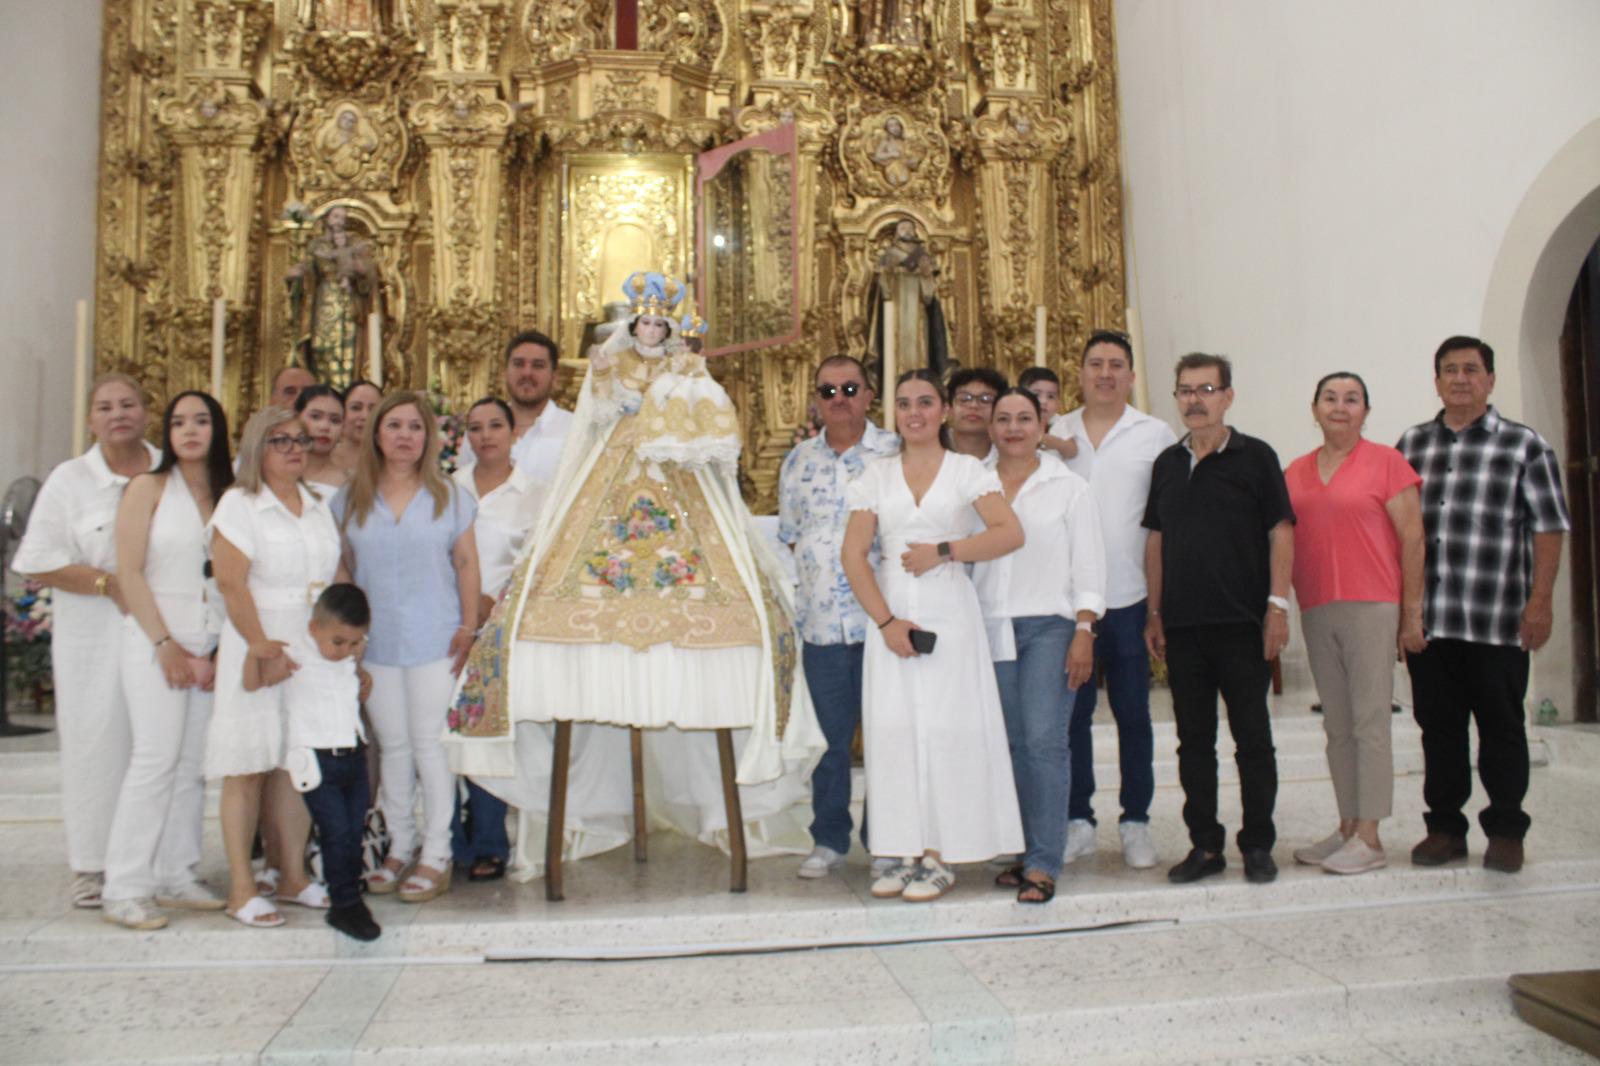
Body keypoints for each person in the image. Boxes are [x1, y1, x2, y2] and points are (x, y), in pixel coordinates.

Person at [443, 274, 822, 880]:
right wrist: (611, 391)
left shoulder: (684, 367)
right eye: (642, 323)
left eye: (657, 325)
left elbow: (706, 425)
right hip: (611, 470)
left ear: (667, 330)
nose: (648, 331)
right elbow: (594, 418)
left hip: (676, 476)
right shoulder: (613, 361)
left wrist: (681, 396)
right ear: (631, 326)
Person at [842, 368, 1026, 902]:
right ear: (893, 413)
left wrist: (945, 551)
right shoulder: (875, 475)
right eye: (904, 404)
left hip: (950, 609)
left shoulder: (966, 470)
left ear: (943, 410)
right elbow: (853, 555)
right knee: (894, 729)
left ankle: (941, 853)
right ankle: (901, 849)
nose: (914, 413)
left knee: (949, 729)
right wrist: (887, 623)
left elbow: (1010, 533)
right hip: (892, 609)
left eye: (925, 402)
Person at [1396, 336, 1570, 874]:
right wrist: (1403, 613)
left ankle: (1506, 830)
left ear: (1490, 380)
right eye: (1449, 370)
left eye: (1471, 369)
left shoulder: (1524, 445)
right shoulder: (1411, 445)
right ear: (1436, 381)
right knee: (1439, 730)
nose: (1460, 379)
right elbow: (1396, 533)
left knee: (1502, 728)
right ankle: (1445, 829)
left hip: (1497, 618)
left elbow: (1549, 527)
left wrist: (1540, 601)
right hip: (1432, 621)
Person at [1144, 353, 1294, 886]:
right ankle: (1205, 845)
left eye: (1206, 389)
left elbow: (1281, 532)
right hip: (1183, 628)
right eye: (1186, 390)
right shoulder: (1167, 463)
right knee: (1193, 742)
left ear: (1228, 396)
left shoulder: (1257, 457)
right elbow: (1156, 541)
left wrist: (1277, 606)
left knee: (1253, 739)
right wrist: (1154, 613)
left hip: (1242, 625)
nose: (1195, 400)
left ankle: (1257, 844)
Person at [13, 372, 159, 909]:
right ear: (90, 420)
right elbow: (36, 559)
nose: (118, 414)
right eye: (105, 406)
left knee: (158, 744)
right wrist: (107, 585)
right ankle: (92, 864)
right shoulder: (70, 480)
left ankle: (159, 861)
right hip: (94, 637)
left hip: (162, 631)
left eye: (128, 404)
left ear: (146, 412)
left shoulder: (169, 469)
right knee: (97, 743)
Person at [333, 391, 480, 903]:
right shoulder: (350, 498)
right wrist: (346, 635)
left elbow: (466, 563)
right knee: (392, 745)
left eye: (415, 427)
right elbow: (342, 564)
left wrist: (468, 626)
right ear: (376, 433)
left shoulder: (450, 497)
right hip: (376, 641)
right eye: (394, 425)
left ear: (428, 437)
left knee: (429, 744)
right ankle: (399, 846)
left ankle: (437, 853)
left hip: (436, 637)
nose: (404, 436)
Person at [100, 392, 234, 930]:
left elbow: (229, 578)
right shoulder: (148, 487)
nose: (190, 430)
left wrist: (217, 649)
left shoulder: (230, 494)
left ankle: (176, 872)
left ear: (217, 429)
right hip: (154, 641)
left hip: (209, 643)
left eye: (201, 421)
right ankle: (124, 887)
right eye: (179, 422)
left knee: (191, 765)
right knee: (155, 759)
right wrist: (165, 644)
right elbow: (129, 572)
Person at [1286, 372, 1425, 875]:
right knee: (1337, 725)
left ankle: (1370, 835)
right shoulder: (1294, 472)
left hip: (1372, 604)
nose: (1340, 407)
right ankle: (1347, 826)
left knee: (1370, 722)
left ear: (1366, 411)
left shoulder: (1387, 463)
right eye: (1330, 398)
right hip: (1317, 606)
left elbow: (1413, 538)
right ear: (1314, 408)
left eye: (1351, 399)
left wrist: (1411, 614)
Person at [208, 406, 343, 926]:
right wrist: (259, 642)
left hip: (308, 644)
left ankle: (292, 875)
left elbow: (333, 575)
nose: (293, 449)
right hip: (258, 638)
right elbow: (230, 582)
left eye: (300, 440)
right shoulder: (239, 505)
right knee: (246, 764)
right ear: (256, 448)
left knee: (294, 762)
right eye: (280, 440)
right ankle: (242, 888)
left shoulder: (317, 503)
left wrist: (340, 640)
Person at [973, 388, 1105, 903]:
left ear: (1042, 425)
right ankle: (1025, 848)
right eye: (1003, 419)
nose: (1013, 428)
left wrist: (1084, 630)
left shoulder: (1069, 487)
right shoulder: (974, 484)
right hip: (992, 627)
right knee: (1012, 744)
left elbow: (1089, 565)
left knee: (1045, 740)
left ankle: (1045, 861)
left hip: (1051, 627)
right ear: (991, 427)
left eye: (1024, 418)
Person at [1055, 329, 1177, 869]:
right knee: (1072, 717)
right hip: (1067, 603)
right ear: (1079, 372)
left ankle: (1136, 822)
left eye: (1115, 364)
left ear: (1130, 375)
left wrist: (1157, 607)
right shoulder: (1054, 434)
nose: (1105, 373)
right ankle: (1077, 820)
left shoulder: (1154, 434)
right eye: (1096, 363)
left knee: (1133, 715)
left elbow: (1165, 525)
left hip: (1129, 597)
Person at [777, 355, 900, 879]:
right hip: (822, 626)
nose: (840, 399)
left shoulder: (895, 452)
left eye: (850, 389)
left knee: (886, 737)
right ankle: (828, 838)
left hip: (882, 623)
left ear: (869, 395)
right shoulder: (798, 461)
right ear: (816, 400)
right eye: (828, 391)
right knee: (828, 741)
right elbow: (791, 536)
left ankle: (888, 839)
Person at [449, 397, 546, 882]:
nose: (485, 435)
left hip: (501, 627)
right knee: (443, 728)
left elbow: (538, 563)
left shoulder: (535, 493)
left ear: (513, 433)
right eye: (475, 427)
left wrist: (495, 603)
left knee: (486, 727)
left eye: (494, 426)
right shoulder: (449, 488)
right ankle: (448, 840)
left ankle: (489, 838)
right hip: (448, 624)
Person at [264, 583, 380, 941]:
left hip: (352, 754)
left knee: (353, 830)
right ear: (314, 628)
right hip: (316, 760)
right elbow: (257, 681)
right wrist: (258, 655)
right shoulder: (295, 653)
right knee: (336, 831)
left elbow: (350, 691)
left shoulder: (349, 659)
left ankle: (350, 899)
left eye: (356, 642)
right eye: (339, 642)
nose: (346, 650)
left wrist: (360, 673)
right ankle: (344, 904)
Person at [454, 330, 575, 486]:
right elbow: (462, 488)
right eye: (518, 364)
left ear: (554, 376)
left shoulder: (573, 430)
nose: (527, 373)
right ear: (505, 372)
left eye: (538, 365)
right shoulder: (480, 429)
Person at [295, 384, 350, 490]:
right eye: (315, 417)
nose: (325, 427)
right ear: (296, 417)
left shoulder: (351, 485)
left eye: (335, 420)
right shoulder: (273, 474)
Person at [1017, 366, 1077, 462]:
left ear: (1058, 402)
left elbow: (1072, 451)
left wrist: (1056, 443)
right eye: (1036, 395)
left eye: (1051, 396)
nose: (1043, 401)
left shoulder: (1059, 422)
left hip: (1052, 470)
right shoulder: (1015, 422)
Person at [945, 366, 1006, 460]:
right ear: (949, 409)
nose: (974, 405)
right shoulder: (931, 448)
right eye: (964, 399)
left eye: (985, 399)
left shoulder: (1010, 454)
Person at [332, 378, 382, 473]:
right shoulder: (321, 459)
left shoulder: (390, 464)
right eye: (356, 408)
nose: (365, 416)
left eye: (373, 409)